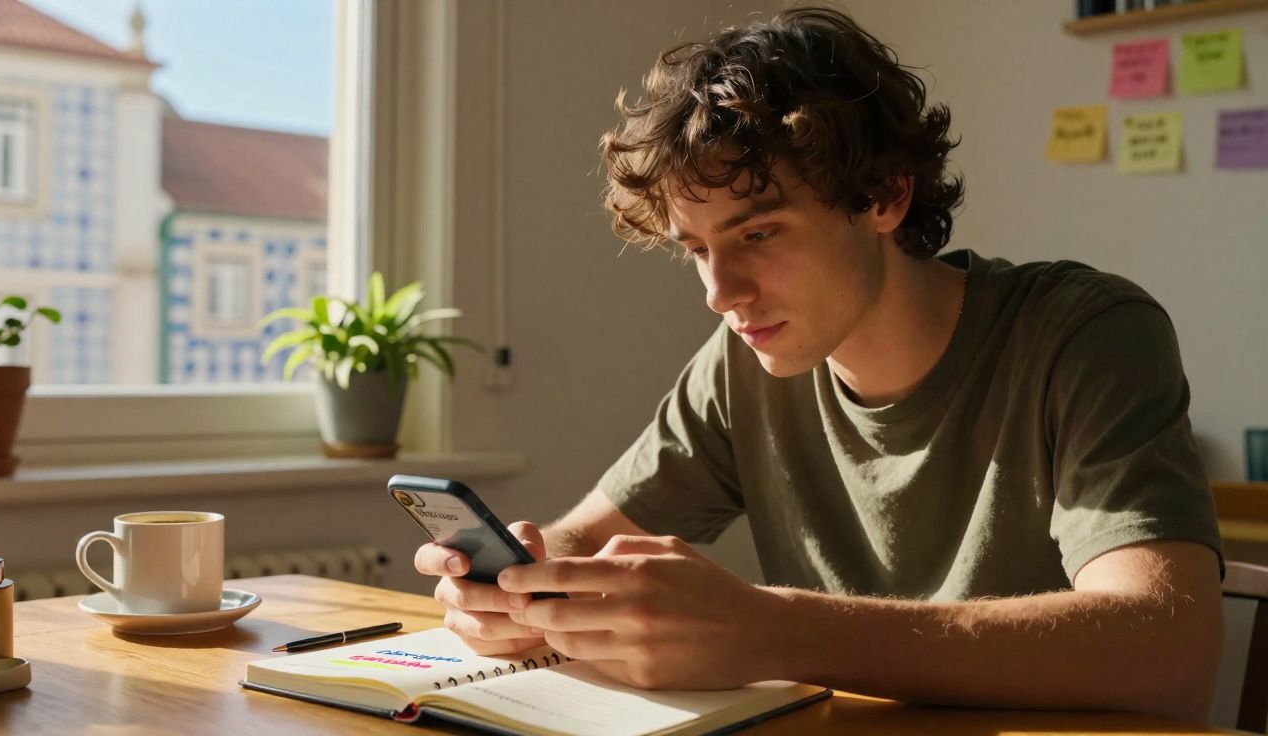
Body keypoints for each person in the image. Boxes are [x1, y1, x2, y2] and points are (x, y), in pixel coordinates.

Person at [415, 6, 1224, 722]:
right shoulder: (742, 363)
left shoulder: (1086, 336)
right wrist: (518, 590)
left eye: (758, 234)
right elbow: (577, 543)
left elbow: (1168, 650)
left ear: (884, 196)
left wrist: (774, 631)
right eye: (696, 249)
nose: (719, 293)